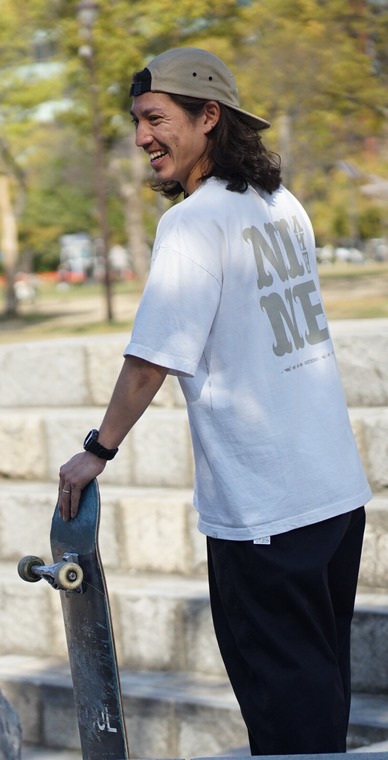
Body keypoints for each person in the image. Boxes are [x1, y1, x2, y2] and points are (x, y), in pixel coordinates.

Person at [55, 48, 371, 755]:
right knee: (319, 694)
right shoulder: (280, 204)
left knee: (288, 717)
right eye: (137, 121)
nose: (142, 138)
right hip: (333, 497)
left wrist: (95, 451)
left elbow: (149, 362)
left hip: (267, 508)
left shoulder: (194, 223)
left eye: (155, 119)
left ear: (209, 117)